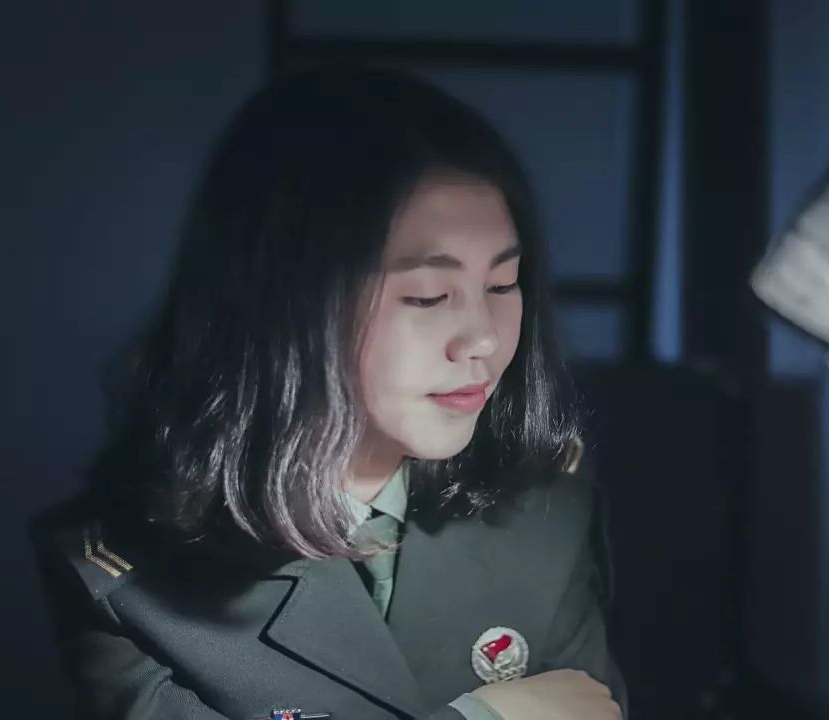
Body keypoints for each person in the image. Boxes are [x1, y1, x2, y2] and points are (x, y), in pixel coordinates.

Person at [31, 65, 627, 720]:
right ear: (287, 305)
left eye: (502, 285)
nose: (481, 339)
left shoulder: (543, 504)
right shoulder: (127, 577)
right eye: (429, 295)